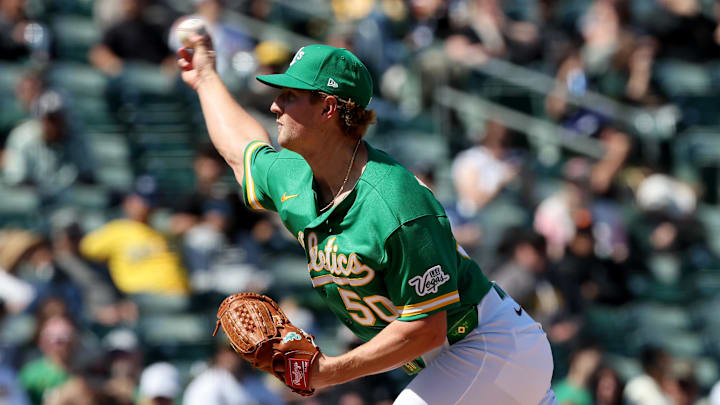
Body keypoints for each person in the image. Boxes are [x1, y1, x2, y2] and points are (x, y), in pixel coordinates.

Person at [177, 35, 557, 404]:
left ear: (327, 108)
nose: (275, 106)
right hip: (453, 364)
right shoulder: (294, 176)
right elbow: (240, 151)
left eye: (289, 96)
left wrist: (328, 372)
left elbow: (426, 328)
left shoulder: (395, 201)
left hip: (488, 344)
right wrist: (206, 78)